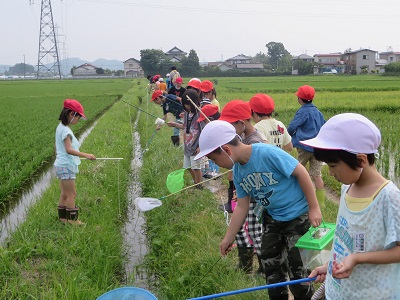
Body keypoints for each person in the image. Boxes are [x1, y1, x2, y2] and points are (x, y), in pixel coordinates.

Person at [194, 120, 322, 300]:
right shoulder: (238, 172)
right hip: (273, 218)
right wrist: (228, 238)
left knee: (298, 274)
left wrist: (314, 207)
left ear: (227, 150)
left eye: (215, 159)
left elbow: (301, 172)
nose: (217, 164)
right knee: (271, 266)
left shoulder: (266, 153)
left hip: (297, 217)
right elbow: (242, 206)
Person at [301, 113, 400, 300]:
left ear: (361, 160)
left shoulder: (388, 197)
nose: (330, 173)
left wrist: (357, 259)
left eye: (333, 166)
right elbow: (345, 242)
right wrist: (330, 266)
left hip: (373, 294)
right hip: (342, 291)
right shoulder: (347, 187)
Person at [218, 100, 264, 275]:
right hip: (247, 195)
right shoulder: (244, 138)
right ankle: (245, 265)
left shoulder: (255, 142)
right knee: (242, 230)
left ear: (241, 123)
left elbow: (258, 174)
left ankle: (263, 268)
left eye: (230, 124)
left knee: (256, 233)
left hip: (255, 198)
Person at [54, 99, 96, 225]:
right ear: (71, 114)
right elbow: (68, 149)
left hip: (60, 165)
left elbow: (57, 147)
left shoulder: (61, 127)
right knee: (72, 194)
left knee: (65, 193)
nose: (78, 120)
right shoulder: (66, 131)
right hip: (66, 165)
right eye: (78, 117)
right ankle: (73, 221)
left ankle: (63, 218)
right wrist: (86, 155)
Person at [288, 85, 326, 209]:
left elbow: (293, 126)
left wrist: (288, 135)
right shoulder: (317, 112)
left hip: (304, 146)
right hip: (318, 148)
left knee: (297, 171)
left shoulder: (302, 111)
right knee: (316, 174)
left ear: (300, 99)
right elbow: (324, 126)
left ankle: (295, 198)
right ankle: (321, 203)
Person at [167, 89, 203, 186]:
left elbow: (204, 131)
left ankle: (198, 185)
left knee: (196, 167)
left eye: (188, 104)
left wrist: (201, 146)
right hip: (188, 144)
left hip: (196, 146)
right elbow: (184, 126)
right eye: (184, 104)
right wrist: (174, 124)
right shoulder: (187, 113)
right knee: (187, 167)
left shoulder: (200, 114)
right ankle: (195, 181)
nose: (186, 106)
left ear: (194, 102)